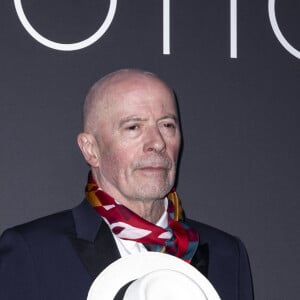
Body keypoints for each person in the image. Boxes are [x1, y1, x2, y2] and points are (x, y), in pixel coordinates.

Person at [0, 69, 253, 299]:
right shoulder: (33, 253)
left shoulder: (228, 255)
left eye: (167, 125)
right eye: (133, 127)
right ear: (91, 149)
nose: (157, 143)